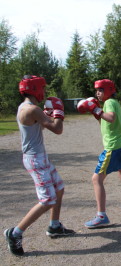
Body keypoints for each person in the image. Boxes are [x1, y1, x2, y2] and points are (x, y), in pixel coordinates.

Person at [4, 75, 75, 256]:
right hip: (36, 159)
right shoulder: (33, 109)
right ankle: (15, 233)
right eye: (42, 88)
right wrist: (58, 113)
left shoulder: (25, 107)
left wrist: (48, 116)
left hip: (39, 157)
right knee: (47, 200)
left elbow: (40, 126)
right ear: (36, 89)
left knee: (59, 188)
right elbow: (57, 129)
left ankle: (54, 226)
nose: (44, 91)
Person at [78, 79, 121, 229]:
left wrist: (95, 109)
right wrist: (96, 113)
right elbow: (106, 123)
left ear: (108, 90)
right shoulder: (111, 103)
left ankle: (101, 216)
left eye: (100, 90)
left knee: (96, 179)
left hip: (113, 147)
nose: (97, 93)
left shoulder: (109, 103)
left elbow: (111, 118)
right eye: (96, 91)